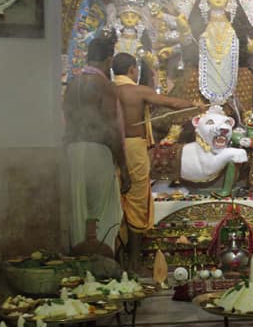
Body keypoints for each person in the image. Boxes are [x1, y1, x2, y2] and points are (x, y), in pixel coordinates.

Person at [112, 52, 203, 272]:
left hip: (109, 147)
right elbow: (170, 102)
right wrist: (195, 105)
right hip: (132, 147)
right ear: (133, 70)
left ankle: (117, 259)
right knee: (136, 200)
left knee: (116, 199)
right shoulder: (137, 90)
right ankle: (133, 262)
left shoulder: (107, 90)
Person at [63, 31, 128, 252]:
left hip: (72, 152)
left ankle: (80, 272)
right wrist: (124, 167)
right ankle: (101, 269)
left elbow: (66, 123)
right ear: (109, 60)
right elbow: (111, 128)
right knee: (104, 213)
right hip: (97, 152)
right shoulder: (105, 86)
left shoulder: (71, 86)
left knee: (78, 215)